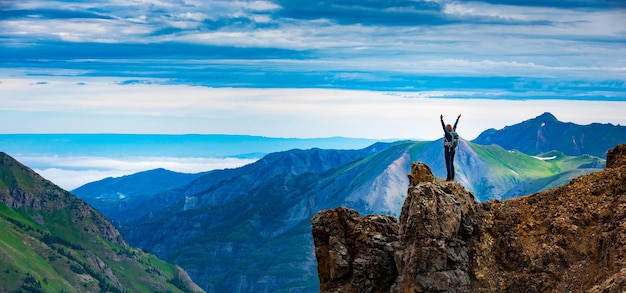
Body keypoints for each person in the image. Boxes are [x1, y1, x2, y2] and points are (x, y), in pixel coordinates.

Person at [440, 114, 461, 181]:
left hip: (447, 150)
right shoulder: (453, 132)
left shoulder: (447, 134)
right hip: (453, 150)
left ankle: (449, 178)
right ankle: (452, 178)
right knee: (451, 163)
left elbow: (443, 127)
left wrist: (441, 120)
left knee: (448, 163)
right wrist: (457, 119)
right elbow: (455, 125)